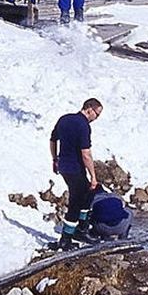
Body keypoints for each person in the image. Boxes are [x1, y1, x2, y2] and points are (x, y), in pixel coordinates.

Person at [49, 97, 104, 249]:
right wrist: (93, 176)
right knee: (76, 201)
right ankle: (66, 239)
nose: (96, 118)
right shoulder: (83, 125)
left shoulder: (64, 119)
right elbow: (85, 154)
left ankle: (81, 230)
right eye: (97, 114)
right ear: (89, 109)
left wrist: (55, 159)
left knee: (88, 194)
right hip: (75, 168)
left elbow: (53, 139)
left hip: (64, 167)